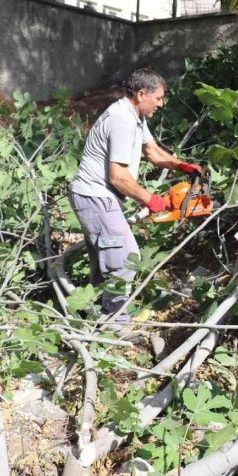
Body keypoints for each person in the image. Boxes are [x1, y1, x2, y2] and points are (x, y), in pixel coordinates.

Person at [68, 68, 202, 323]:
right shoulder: (122, 120)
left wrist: (182, 166)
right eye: (159, 98)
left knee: (105, 261)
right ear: (142, 94)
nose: (161, 104)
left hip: (95, 196)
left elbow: (152, 152)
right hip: (96, 196)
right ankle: (115, 321)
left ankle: (95, 312)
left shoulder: (135, 117)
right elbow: (118, 177)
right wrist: (150, 199)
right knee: (124, 259)